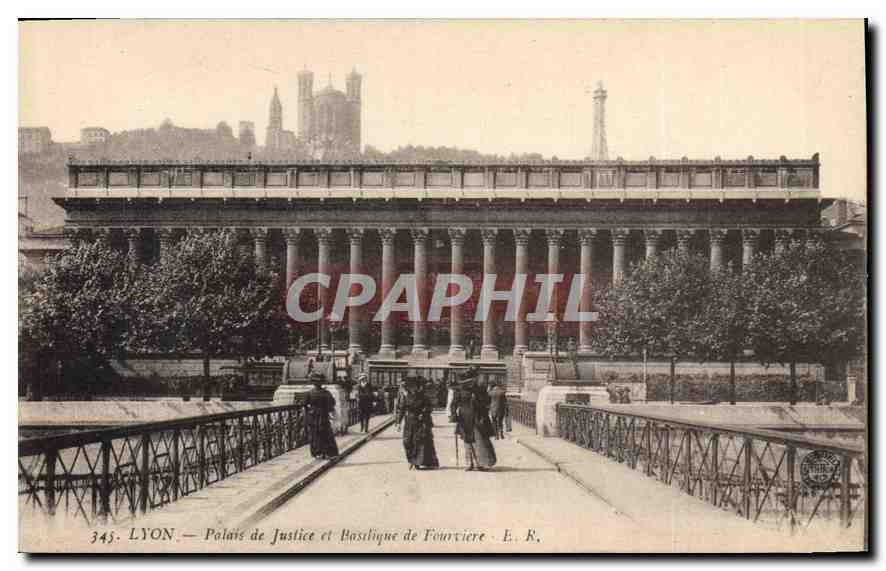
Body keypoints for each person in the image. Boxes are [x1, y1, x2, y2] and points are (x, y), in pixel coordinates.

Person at [451, 369, 497, 471]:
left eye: (471, 381)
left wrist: (479, 401)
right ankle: (469, 463)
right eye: (467, 382)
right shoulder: (459, 391)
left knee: (479, 440)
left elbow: (487, 402)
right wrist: (454, 415)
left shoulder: (480, 390)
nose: (470, 384)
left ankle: (481, 463)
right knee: (467, 441)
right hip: (464, 419)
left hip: (478, 418)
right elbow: (453, 404)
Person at [396, 376, 439, 470]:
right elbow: (402, 409)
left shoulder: (423, 396)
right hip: (409, 421)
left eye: (414, 387)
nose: (413, 389)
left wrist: (423, 413)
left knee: (417, 442)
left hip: (419, 422)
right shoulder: (407, 397)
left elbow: (429, 407)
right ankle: (410, 459)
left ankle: (415, 462)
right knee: (407, 442)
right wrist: (399, 423)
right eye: (411, 387)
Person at [304, 374, 339, 460]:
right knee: (325, 433)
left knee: (315, 434)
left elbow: (304, 404)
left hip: (314, 415)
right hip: (323, 415)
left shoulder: (310, 392)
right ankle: (327, 452)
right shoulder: (326, 393)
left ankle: (318, 452)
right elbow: (332, 403)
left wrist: (309, 411)